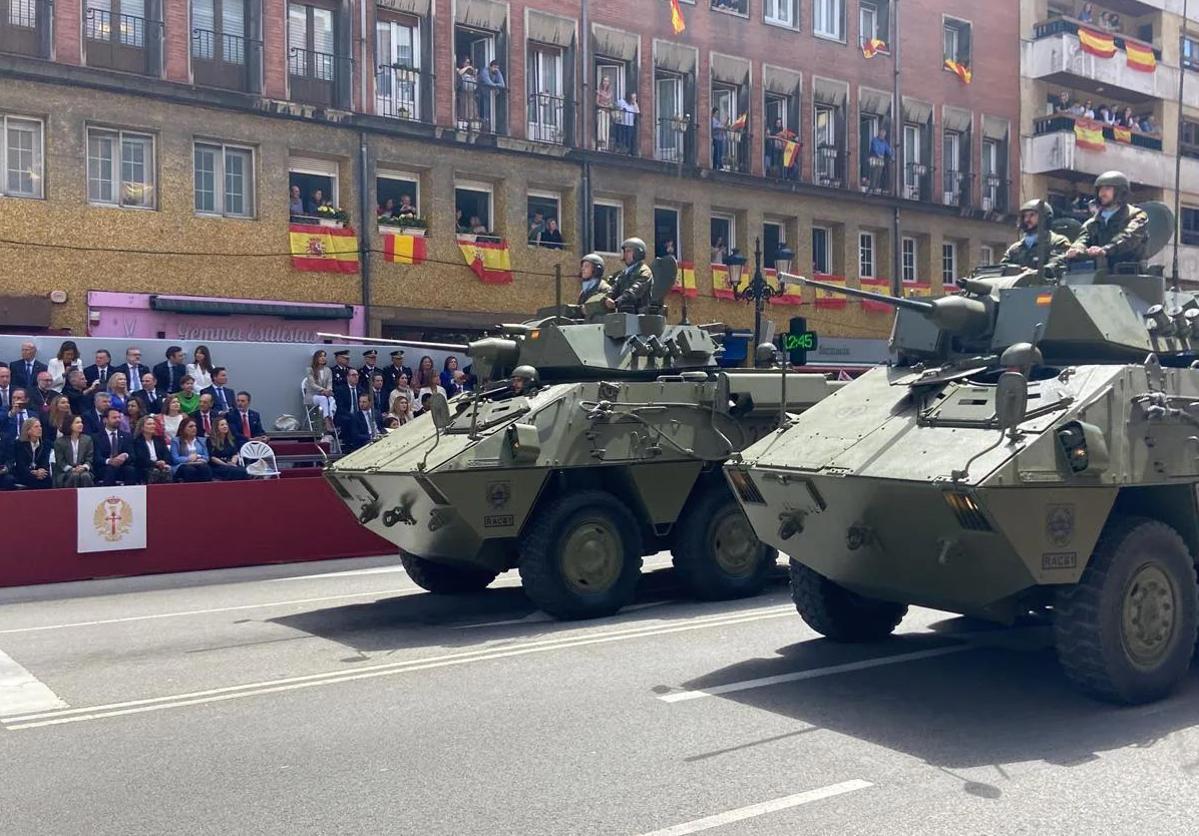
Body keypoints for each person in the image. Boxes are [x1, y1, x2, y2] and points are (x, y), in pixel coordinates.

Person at [1066, 171, 1150, 269]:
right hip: (1099, 272)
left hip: (1129, 272)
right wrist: (1077, 249)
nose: (1102, 193)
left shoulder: (1136, 216)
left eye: (1107, 188)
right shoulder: (1093, 222)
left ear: (1120, 191)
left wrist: (1106, 250)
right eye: (1100, 189)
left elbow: (1129, 237)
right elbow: (1083, 238)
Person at [1001, 200, 1071, 273]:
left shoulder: (1058, 242)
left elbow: (1056, 264)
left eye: (1032, 215)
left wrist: (1034, 273)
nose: (1027, 219)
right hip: (1018, 284)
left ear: (1045, 218)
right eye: (1025, 216)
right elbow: (1002, 268)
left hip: (1046, 284)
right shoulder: (1015, 249)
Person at [605, 237, 654, 314]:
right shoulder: (623, 273)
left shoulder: (644, 271)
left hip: (639, 315)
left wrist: (617, 302)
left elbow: (634, 291)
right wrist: (607, 298)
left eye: (628, 251)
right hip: (623, 313)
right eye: (625, 251)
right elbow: (614, 288)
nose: (625, 254)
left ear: (638, 253)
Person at [93, 407, 136, 486]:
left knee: (130, 470)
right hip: (104, 467)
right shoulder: (96, 437)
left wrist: (125, 456)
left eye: (119, 417)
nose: (118, 420)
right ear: (105, 420)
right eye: (114, 418)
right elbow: (96, 457)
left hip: (122, 466)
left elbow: (132, 456)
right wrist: (109, 461)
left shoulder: (127, 436)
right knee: (110, 469)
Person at [53, 415, 95, 488]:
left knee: (85, 476)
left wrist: (84, 467)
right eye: (77, 422)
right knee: (74, 476)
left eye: (81, 422)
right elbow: (60, 462)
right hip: (66, 472)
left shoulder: (87, 439)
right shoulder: (59, 442)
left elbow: (89, 458)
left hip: (83, 470)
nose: (81, 424)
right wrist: (72, 469)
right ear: (70, 425)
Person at [304, 349, 336, 441]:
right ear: (316, 358)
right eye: (321, 356)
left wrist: (328, 390)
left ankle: (330, 418)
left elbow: (330, 383)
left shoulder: (328, 370)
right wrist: (322, 390)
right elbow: (312, 384)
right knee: (323, 399)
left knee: (331, 400)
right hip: (312, 396)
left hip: (325, 394)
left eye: (324, 356)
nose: (323, 358)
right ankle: (327, 421)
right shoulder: (310, 369)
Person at [170, 417, 213, 482]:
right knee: (189, 470)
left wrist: (198, 456)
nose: (194, 428)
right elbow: (175, 459)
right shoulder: (176, 441)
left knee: (205, 468)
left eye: (195, 426)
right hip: (183, 465)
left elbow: (206, 457)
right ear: (183, 429)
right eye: (190, 426)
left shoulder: (201, 440)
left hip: (198, 463)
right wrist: (188, 458)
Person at [132, 416, 173, 484]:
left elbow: (167, 455)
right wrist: (155, 463)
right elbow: (140, 459)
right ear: (142, 427)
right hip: (145, 467)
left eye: (153, 424)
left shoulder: (159, 440)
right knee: (154, 472)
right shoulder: (137, 441)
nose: (152, 426)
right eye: (149, 424)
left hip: (161, 466)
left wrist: (164, 462)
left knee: (167, 470)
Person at [14, 418, 52, 489]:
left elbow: (45, 462)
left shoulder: (44, 444)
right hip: (25, 473)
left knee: (47, 479)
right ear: (28, 431)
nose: (40, 429)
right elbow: (21, 464)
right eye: (36, 427)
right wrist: (33, 472)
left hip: (39, 473)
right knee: (31, 479)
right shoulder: (19, 444)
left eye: (40, 426)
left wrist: (41, 470)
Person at [596, 76, 614, 150]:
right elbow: (596, 102)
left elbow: (611, 103)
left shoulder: (610, 93)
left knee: (607, 129)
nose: (606, 83)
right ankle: (600, 146)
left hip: (607, 112)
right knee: (601, 128)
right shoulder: (599, 91)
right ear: (602, 82)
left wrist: (610, 105)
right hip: (601, 111)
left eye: (607, 81)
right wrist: (604, 106)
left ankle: (606, 146)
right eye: (604, 81)